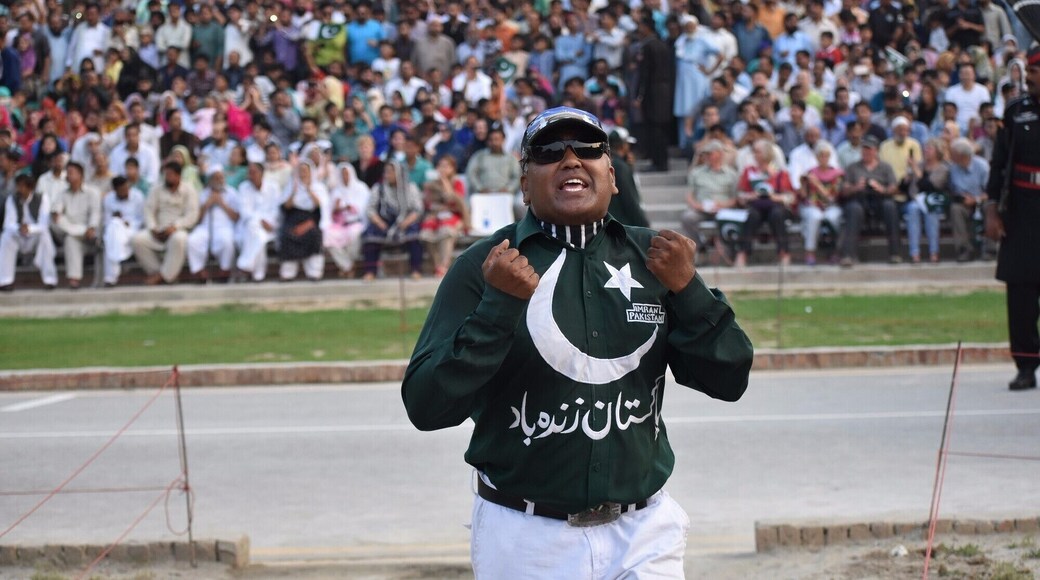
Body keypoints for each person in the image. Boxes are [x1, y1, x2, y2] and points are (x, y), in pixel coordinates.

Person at [401, 107, 753, 577]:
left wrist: (689, 292)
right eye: (549, 152)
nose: (570, 160)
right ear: (525, 183)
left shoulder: (657, 260)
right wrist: (496, 310)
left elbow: (729, 378)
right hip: (526, 537)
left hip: (644, 530)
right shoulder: (486, 266)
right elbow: (426, 406)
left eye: (587, 148)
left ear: (612, 175)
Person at [986, 46, 1040, 390]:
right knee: (1020, 290)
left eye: (1035, 72)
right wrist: (991, 208)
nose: (1029, 77)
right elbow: (998, 163)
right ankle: (1026, 365)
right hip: (1022, 208)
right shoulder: (1016, 111)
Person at [131, 161, 200, 285]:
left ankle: (163, 277)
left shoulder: (189, 190)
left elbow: (192, 215)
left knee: (179, 239)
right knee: (137, 240)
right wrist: (152, 228)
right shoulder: (156, 189)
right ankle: (159, 273)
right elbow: (149, 210)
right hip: (158, 230)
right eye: (166, 175)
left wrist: (175, 226)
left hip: (179, 230)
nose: (167, 177)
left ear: (179, 176)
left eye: (170, 175)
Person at [838, 135, 900, 268]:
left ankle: (895, 253)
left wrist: (881, 188)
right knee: (853, 209)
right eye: (864, 149)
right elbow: (844, 190)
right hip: (859, 200)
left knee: (890, 207)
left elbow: (894, 188)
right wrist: (856, 187)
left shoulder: (885, 167)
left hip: (880, 200)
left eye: (869, 149)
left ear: (876, 151)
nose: (866, 152)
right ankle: (848, 255)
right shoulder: (853, 167)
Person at [735, 140, 795, 268]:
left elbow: (791, 197)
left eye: (757, 152)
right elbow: (739, 195)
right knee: (752, 216)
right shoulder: (749, 171)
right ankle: (743, 253)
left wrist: (774, 196)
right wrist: (751, 195)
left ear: (767, 153)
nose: (754, 154)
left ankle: (784, 253)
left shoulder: (780, 172)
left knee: (777, 215)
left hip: (775, 205)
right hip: (756, 205)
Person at [360, 160, 423, 280]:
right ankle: (370, 271)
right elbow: (370, 209)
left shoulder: (411, 188)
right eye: (386, 172)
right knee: (370, 234)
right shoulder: (379, 188)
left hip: (405, 221)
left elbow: (418, 209)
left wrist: (406, 222)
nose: (387, 175)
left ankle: (416, 270)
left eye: (390, 172)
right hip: (384, 221)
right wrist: (379, 222)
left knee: (415, 235)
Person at [0, 174, 57, 291]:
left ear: (30, 187)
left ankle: (50, 280)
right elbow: (8, 223)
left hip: (35, 234)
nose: (19, 190)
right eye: (18, 186)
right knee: (6, 236)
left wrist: (30, 229)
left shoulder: (42, 198)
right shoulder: (12, 199)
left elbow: (44, 224)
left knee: (45, 236)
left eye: (22, 186)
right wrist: (19, 228)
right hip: (19, 235)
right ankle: (5, 281)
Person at [50, 162, 101, 289]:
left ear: (81, 175)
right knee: (69, 238)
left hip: (91, 235)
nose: (68, 176)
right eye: (67, 173)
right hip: (72, 233)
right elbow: (57, 215)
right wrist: (79, 230)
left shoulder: (92, 192)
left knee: (73, 234)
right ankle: (74, 279)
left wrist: (91, 227)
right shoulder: (62, 194)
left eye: (71, 173)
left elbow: (96, 213)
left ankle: (80, 231)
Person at [187, 165, 240, 282]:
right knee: (193, 240)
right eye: (215, 178)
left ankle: (224, 271)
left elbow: (236, 217)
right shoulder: (203, 193)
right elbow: (197, 219)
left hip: (225, 227)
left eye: (221, 177)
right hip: (205, 227)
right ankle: (199, 272)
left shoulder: (232, 193)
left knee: (227, 241)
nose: (219, 180)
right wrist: (207, 204)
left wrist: (222, 203)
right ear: (210, 180)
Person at [278, 161, 328, 281]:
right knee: (287, 234)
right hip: (293, 219)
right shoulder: (290, 186)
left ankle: (314, 272)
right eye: (300, 171)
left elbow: (320, 208)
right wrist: (294, 191)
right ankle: (288, 273)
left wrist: (308, 189)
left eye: (306, 171)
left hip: (311, 220)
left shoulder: (318, 187)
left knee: (314, 235)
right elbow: (286, 207)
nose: (303, 174)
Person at [904, 139, 950, 264]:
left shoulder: (943, 168)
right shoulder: (918, 165)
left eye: (929, 148)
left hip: (934, 200)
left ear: (937, 151)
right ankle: (915, 253)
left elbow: (930, 186)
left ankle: (934, 252)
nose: (926, 151)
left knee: (931, 211)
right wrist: (908, 175)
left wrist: (916, 170)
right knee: (912, 209)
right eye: (925, 148)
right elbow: (908, 187)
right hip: (917, 200)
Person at [235, 162, 283, 283]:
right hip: (249, 226)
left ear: (262, 174)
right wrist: (260, 220)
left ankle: (246, 265)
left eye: (254, 172)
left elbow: (276, 209)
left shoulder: (273, 187)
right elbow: (244, 211)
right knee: (259, 236)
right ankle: (258, 275)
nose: (251, 175)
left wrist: (267, 222)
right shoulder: (243, 187)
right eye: (249, 173)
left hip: (269, 226)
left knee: (258, 235)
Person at [799, 142, 844, 266]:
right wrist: (803, 183)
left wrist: (817, 184)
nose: (823, 158)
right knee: (815, 217)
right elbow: (803, 196)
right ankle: (810, 252)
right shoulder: (809, 173)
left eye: (826, 155)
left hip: (831, 205)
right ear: (816, 157)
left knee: (832, 217)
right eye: (821, 155)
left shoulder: (837, 174)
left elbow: (832, 198)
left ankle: (833, 251)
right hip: (812, 206)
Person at [324, 162, 371, 277]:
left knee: (354, 234)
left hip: (356, 222)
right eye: (342, 174)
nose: (345, 176)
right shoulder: (336, 191)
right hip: (339, 225)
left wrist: (351, 208)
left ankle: (346, 267)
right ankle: (348, 266)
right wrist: (336, 208)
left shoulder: (361, 188)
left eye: (347, 174)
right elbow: (330, 212)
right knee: (328, 236)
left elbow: (365, 208)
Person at [948, 136, 990, 262]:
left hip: (982, 200)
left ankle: (990, 250)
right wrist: (962, 198)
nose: (950, 156)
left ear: (961, 155)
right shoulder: (953, 168)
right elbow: (953, 189)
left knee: (989, 207)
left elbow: (991, 192)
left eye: (952, 153)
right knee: (955, 209)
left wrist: (976, 199)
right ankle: (964, 250)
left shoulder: (982, 166)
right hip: (963, 202)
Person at [101, 175, 145, 287]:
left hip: (133, 229)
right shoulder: (108, 199)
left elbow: (142, 219)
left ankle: (110, 276)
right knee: (113, 230)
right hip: (115, 230)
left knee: (112, 237)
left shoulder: (137, 196)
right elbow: (106, 221)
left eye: (126, 188)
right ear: (115, 190)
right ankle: (112, 275)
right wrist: (117, 219)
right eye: (122, 190)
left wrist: (127, 223)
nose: (125, 192)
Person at [419, 178, 467, 278]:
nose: (443, 169)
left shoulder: (457, 184)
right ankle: (437, 266)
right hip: (436, 216)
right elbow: (428, 204)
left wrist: (446, 184)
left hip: (456, 216)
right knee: (426, 233)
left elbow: (456, 203)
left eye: (446, 166)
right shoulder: (432, 184)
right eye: (441, 166)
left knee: (446, 231)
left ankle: (444, 266)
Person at [607, 127, 649, 228]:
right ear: (623, 145)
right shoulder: (620, 167)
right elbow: (630, 200)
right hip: (624, 225)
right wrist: (644, 225)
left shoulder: (609, 163)